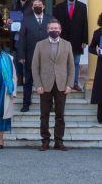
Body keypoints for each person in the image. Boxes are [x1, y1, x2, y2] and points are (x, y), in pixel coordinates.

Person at [32, 19, 75, 151]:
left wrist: (69, 84)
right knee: (44, 115)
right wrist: (38, 84)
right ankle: (45, 141)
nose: (54, 30)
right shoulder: (40, 45)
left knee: (60, 115)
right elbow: (35, 66)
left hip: (61, 84)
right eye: (51, 28)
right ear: (47, 30)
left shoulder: (67, 45)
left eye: (56, 28)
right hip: (45, 85)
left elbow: (71, 66)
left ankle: (59, 141)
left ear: (60, 30)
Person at [16, 0, 49, 112]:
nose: (37, 7)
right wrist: (21, 55)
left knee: (47, 81)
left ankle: (48, 104)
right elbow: (21, 38)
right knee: (28, 81)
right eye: (35, 5)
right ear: (32, 7)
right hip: (30, 56)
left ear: (43, 6)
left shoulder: (50, 19)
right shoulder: (26, 19)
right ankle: (26, 103)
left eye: (39, 5)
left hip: (47, 56)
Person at [53, 0, 89, 91]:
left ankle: (74, 83)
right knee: (62, 62)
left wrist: (85, 40)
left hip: (77, 40)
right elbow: (54, 24)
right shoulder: (59, 7)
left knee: (75, 63)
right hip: (62, 39)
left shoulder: (82, 6)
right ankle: (62, 83)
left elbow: (85, 24)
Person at [9, 0, 32, 86]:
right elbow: (10, 19)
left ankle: (28, 77)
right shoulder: (14, 6)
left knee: (28, 57)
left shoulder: (32, 6)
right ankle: (19, 77)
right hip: (17, 35)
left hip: (28, 35)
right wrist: (9, 22)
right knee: (18, 56)